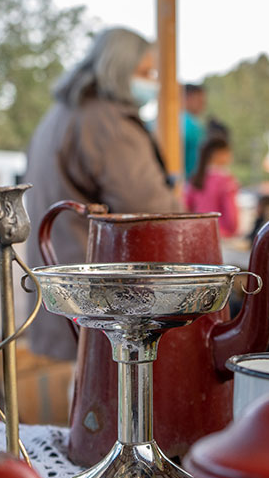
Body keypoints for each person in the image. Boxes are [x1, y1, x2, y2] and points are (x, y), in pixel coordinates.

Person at [24, 26, 184, 361]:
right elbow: (156, 214)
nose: (151, 81)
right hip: (100, 304)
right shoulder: (107, 122)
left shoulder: (62, 112)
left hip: (63, 289)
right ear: (118, 69)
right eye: (144, 72)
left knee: (81, 397)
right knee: (110, 403)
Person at [183, 136, 239, 237]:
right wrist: (233, 230)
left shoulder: (195, 179)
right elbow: (231, 215)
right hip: (220, 234)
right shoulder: (226, 180)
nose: (230, 155)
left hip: (198, 232)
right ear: (218, 154)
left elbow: (186, 208)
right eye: (228, 152)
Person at [182, 84, 206, 179]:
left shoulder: (193, 124)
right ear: (188, 98)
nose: (203, 105)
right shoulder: (189, 125)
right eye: (200, 101)